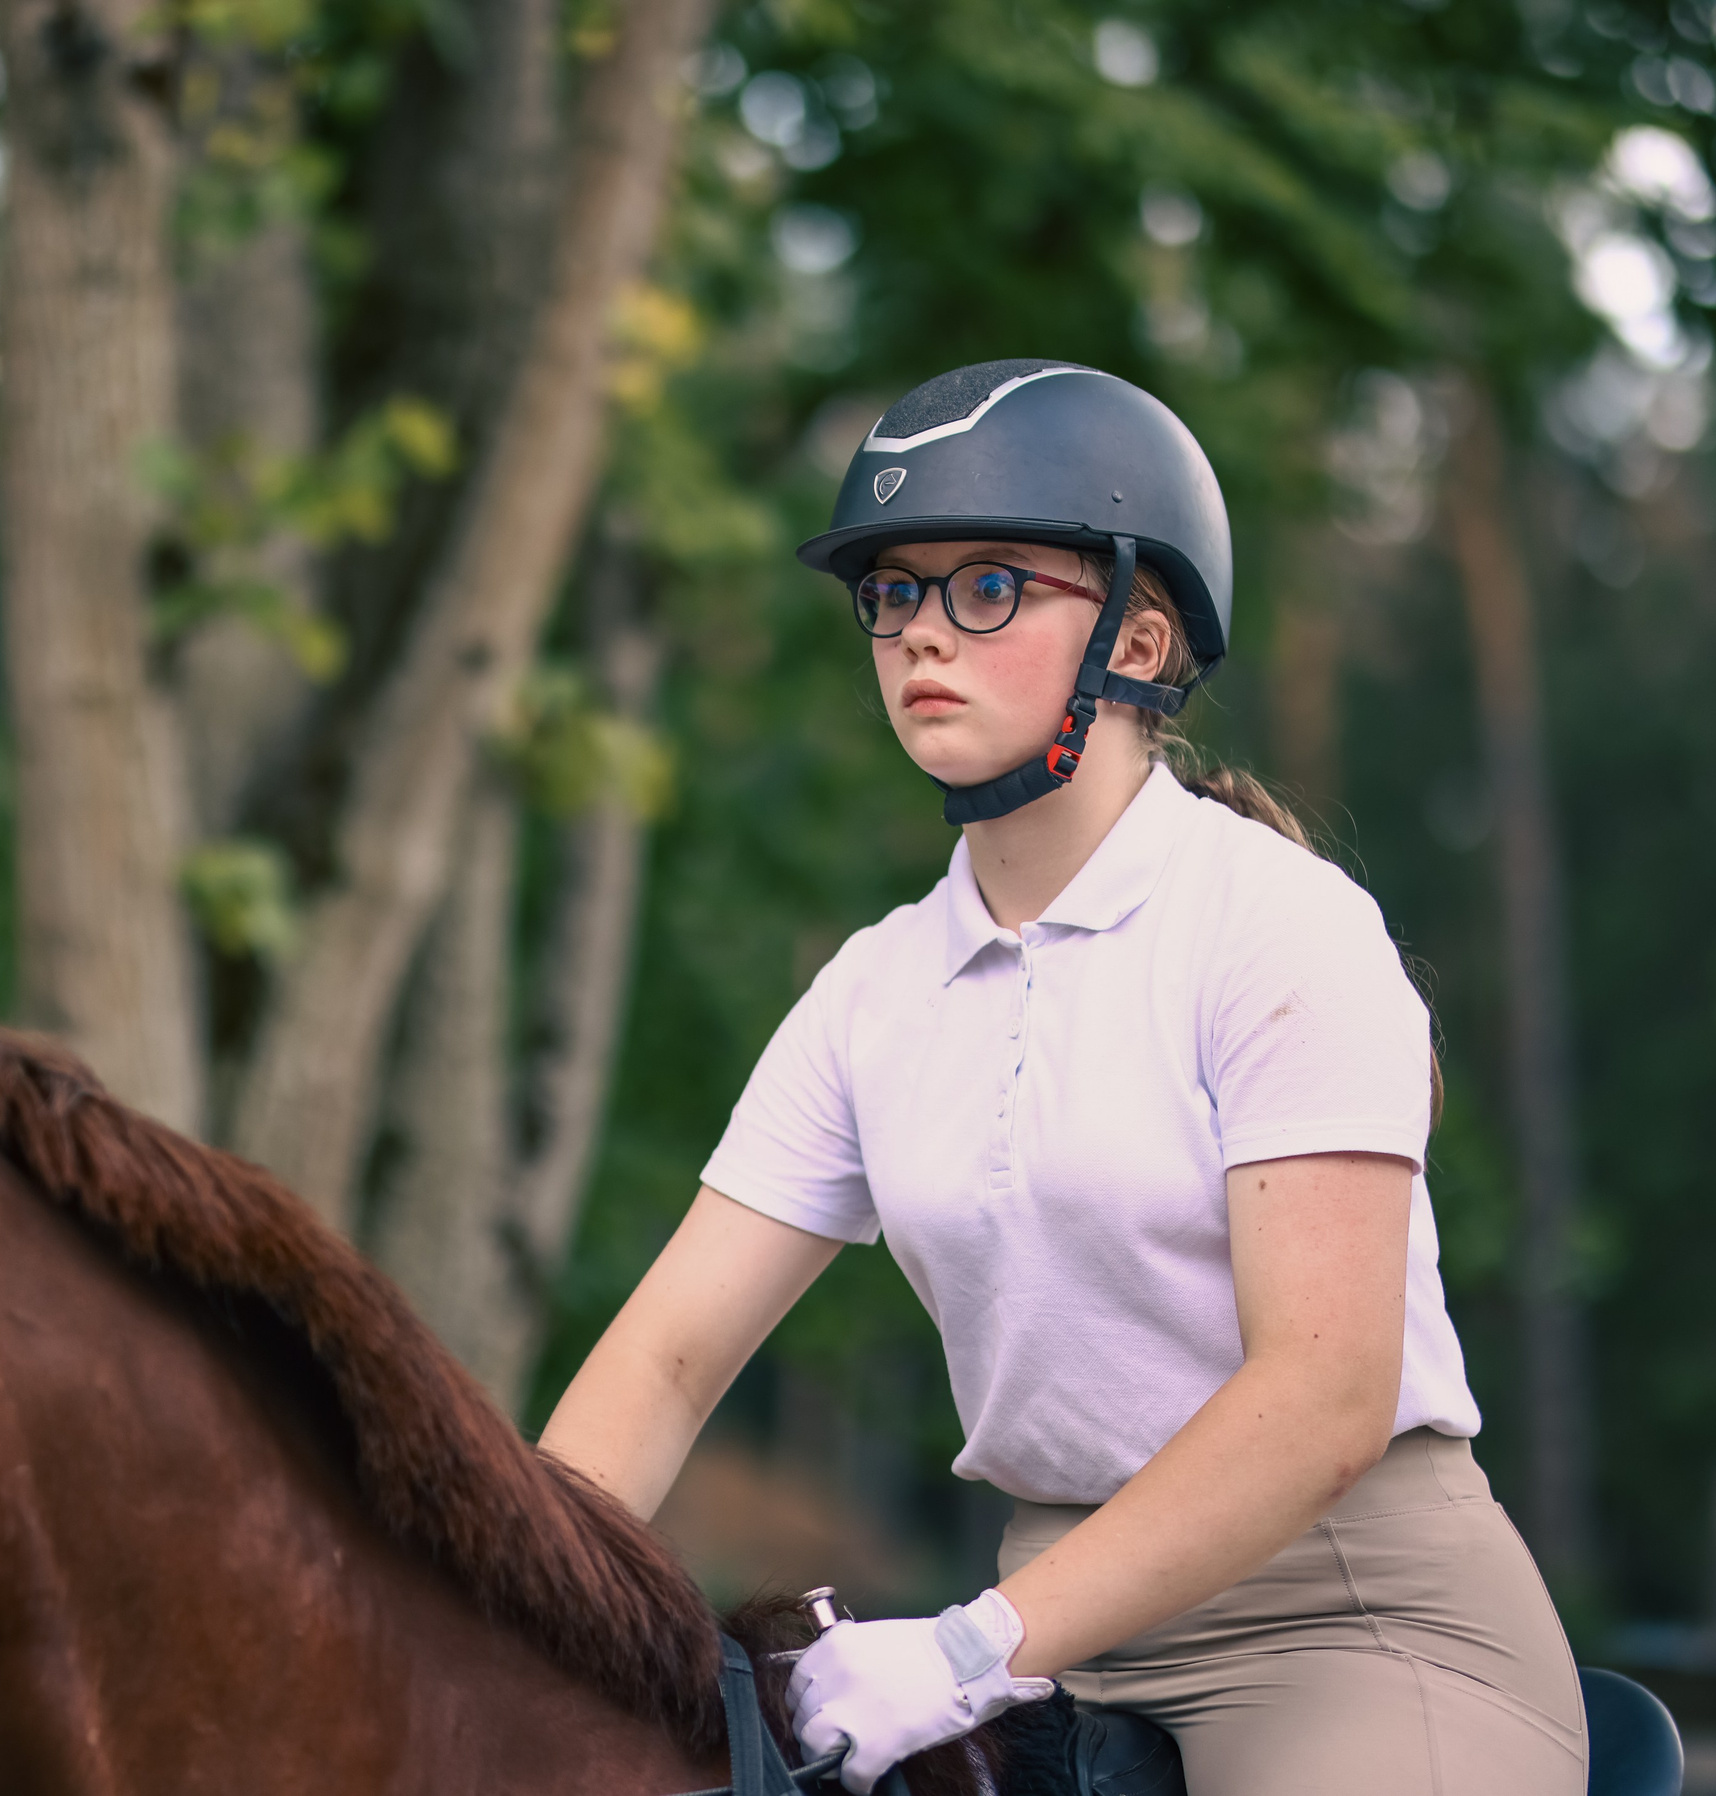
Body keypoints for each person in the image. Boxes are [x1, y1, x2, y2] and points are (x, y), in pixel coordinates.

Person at [538, 361, 1585, 1796]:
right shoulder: (870, 993)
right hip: (1053, 1625)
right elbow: (665, 1360)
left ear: (1140, 640)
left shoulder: (1282, 927)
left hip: (1342, 1619)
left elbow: (1327, 1395)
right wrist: (518, 1612)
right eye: (892, 593)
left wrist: (968, 1650)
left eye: (988, 588)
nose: (921, 632)